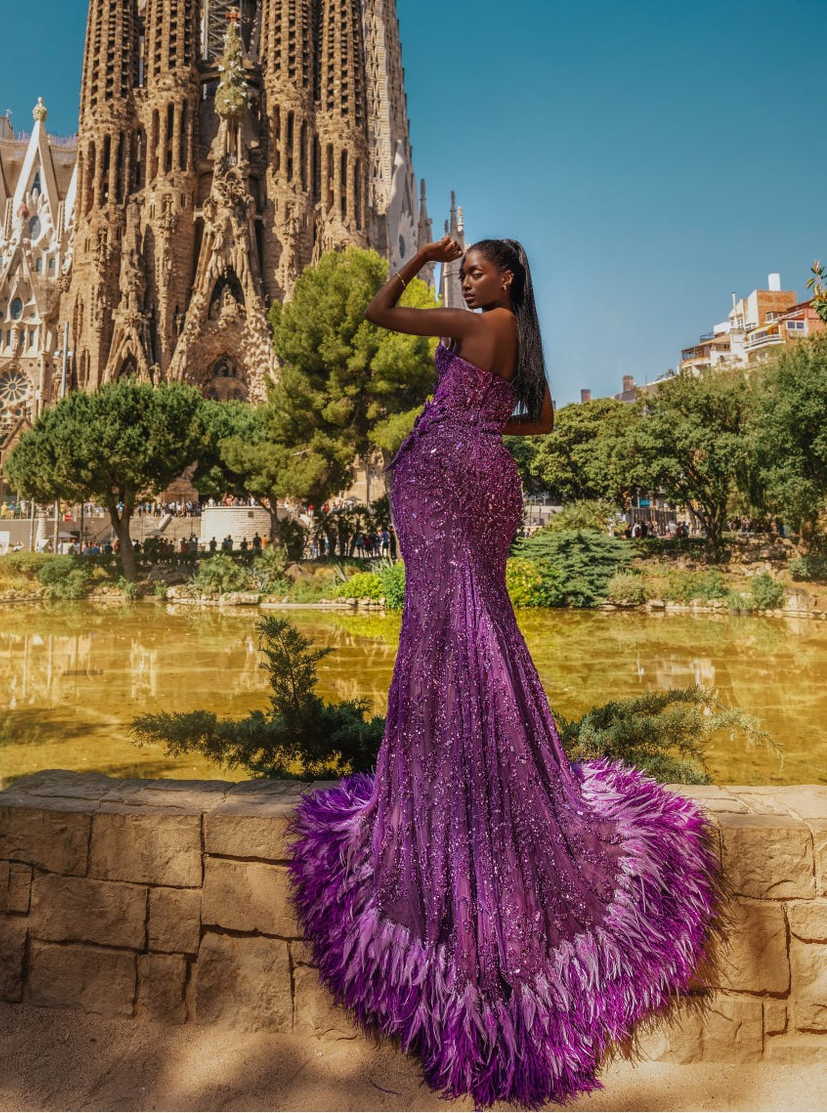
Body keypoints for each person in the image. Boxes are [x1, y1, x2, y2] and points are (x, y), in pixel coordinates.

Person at [287, 235, 719, 1109]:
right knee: (476, 623)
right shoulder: (519, 335)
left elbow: (375, 312)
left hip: (444, 478)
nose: (468, 278)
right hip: (485, 473)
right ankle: (498, 761)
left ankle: (450, 791)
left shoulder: (475, 320)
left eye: (478, 269)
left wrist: (415, 255)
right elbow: (546, 419)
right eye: (463, 270)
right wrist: (480, 425)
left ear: (506, 277)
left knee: (443, 628)